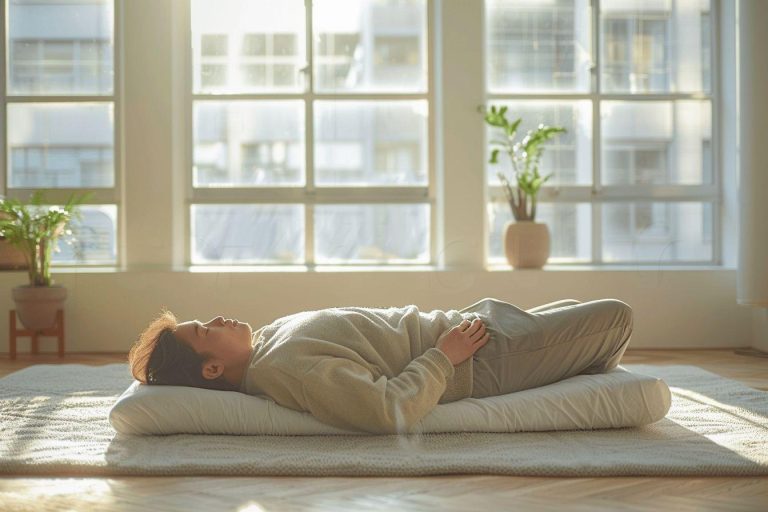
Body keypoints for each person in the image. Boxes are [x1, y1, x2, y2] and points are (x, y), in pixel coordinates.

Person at [128, 297, 633, 434]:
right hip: (485, 355)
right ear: (212, 369)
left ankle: (570, 364)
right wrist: (446, 356)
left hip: (476, 325)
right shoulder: (288, 369)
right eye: (204, 331)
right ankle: (569, 367)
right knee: (618, 318)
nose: (216, 317)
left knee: (579, 312)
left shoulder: (268, 344)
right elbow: (385, 410)